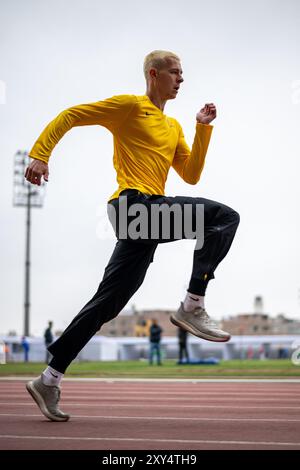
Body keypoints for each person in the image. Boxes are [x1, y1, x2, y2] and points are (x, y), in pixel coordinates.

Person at [24, 50, 240, 421]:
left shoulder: (172, 128)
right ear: (153, 74)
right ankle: (192, 305)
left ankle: (49, 378)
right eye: (175, 72)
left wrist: (202, 128)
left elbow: (190, 174)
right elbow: (72, 115)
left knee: (108, 304)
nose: (181, 79)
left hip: (147, 223)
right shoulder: (128, 107)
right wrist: (41, 154)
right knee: (223, 218)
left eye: (183, 73)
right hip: (134, 208)